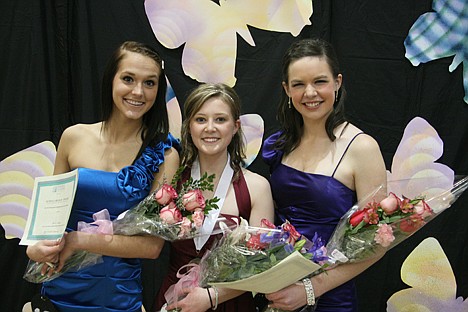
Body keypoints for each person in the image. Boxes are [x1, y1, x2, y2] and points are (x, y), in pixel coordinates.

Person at [25, 41, 180, 312]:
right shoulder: (73, 137)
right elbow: (48, 222)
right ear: (111, 80)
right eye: (128, 79)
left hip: (116, 299)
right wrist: (35, 249)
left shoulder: (164, 153)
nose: (138, 92)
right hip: (58, 290)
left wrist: (79, 240)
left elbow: (152, 247)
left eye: (150, 83)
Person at [262, 38, 387, 311]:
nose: (310, 93)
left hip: (332, 299)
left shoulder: (361, 147)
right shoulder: (279, 144)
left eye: (320, 81)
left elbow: (377, 243)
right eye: (298, 84)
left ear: (337, 83)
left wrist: (309, 290)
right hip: (279, 295)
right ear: (286, 89)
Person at [153, 83, 274, 312]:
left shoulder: (257, 187)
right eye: (200, 119)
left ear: (236, 126)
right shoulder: (171, 181)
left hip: (231, 303)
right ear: (189, 126)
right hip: (174, 301)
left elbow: (262, 264)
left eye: (220, 119)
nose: (210, 128)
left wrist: (211, 296)